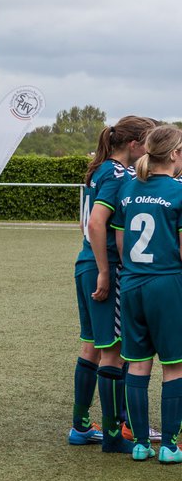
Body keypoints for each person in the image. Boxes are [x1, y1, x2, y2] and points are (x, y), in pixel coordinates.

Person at [70, 115, 153, 452]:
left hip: (85, 262)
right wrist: (106, 270)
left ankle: (80, 426)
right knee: (114, 353)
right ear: (134, 144)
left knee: (92, 344)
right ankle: (115, 434)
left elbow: (85, 224)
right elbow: (95, 222)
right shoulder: (120, 175)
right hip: (105, 267)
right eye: (148, 141)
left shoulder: (101, 168)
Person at [111, 123, 182, 463]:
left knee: (137, 365)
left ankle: (140, 444)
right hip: (167, 283)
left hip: (133, 283)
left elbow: (122, 243)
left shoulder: (127, 189)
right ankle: (169, 446)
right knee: (174, 367)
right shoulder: (179, 191)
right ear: (174, 154)